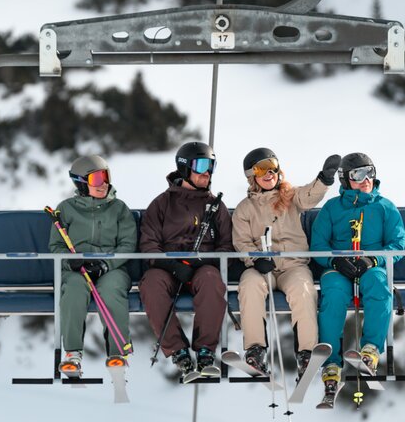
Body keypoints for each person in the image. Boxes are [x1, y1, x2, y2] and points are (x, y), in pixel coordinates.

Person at [231, 148, 340, 378]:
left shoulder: (290, 196)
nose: (269, 173)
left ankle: (306, 353)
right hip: (262, 268)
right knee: (249, 285)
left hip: (293, 266)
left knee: (303, 290)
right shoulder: (245, 209)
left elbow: (309, 196)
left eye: (272, 166)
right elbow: (241, 242)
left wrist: (324, 179)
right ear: (252, 176)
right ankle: (255, 349)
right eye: (262, 169)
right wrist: (255, 258)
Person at [310, 152, 405, 400]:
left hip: (370, 266)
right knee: (332, 292)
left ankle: (370, 350)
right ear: (345, 180)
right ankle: (331, 364)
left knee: (379, 284)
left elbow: (397, 245)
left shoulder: (384, 207)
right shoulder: (332, 209)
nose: (366, 179)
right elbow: (318, 244)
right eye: (358, 174)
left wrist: (373, 259)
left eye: (370, 172)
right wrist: (334, 260)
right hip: (340, 268)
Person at [139, 141, 231, 377]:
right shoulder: (162, 204)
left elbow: (226, 246)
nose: (207, 172)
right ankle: (177, 350)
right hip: (168, 268)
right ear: (184, 168)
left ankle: (205, 350)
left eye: (211, 166)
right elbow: (148, 244)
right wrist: (171, 264)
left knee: (212, 280)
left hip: (203, 267)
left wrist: (205, 261)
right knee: (151, 283)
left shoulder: (215, 206)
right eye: (201, 165)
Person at [48, 155, 137, 376]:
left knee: (111, 290)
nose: (103, 183)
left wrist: (106, 264)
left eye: (105, 177)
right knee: (74, 290)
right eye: (96, 179)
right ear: (81, 183)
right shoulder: (66, 209)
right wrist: (71, 261)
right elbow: (56, 246)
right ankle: (72, 353)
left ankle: (118, 352)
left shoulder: (119, 209)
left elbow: (128, 244)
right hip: (77, 269)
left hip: (112, 268)